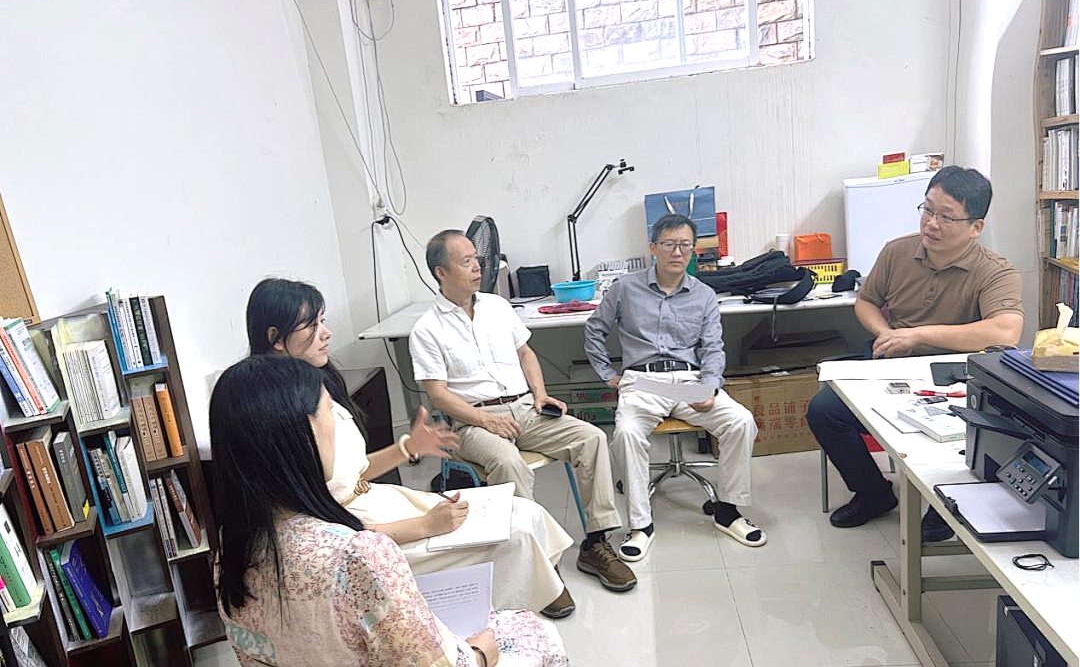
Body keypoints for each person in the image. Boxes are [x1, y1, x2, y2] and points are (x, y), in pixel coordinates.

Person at [211, 355, 595, 667]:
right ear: (303, 437)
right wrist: (478, 654)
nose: (336, 426)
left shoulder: (230, 558)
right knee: (533, 631)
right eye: (328, 415)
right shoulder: (358, 556)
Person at [246, 278, 576, 619]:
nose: (326, 333)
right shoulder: (285, 416)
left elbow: (350, 472)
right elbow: (328, 531)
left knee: (524, 512)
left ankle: (541, 582)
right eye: (312, 325)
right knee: (515, 535)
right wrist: (426, 526)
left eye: (323, 321)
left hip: (374, 500)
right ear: (275, 338)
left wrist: (409, 447)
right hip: (361, 527)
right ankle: (523, 600)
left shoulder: (316, 388)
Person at [409, 230, 636, 594]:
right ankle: (538, 562)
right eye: (466, 261)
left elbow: (525, 353)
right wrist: (485, 420)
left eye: (476, 259)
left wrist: (541, 395)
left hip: (525, 409)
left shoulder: (498, 307)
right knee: (508, 462)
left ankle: (596, 543)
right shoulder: (426, 329)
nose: (477, 267)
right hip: (471, 421)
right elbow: (438, 395)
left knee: (591, 438)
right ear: (441, 272)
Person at [807, 166, 1023, 541]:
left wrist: (919, 335)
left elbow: (1006, 330)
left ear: (976, 227)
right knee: (825, 411)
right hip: (892, 365)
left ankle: (948, 502)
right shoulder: (898, 250)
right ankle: (873, 493)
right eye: (927, 210)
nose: (931, 224)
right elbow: (866, 302)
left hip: (955, 375)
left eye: (946, 216)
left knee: (974, 427)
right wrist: (887, 333)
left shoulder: (995, 272)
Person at [584, 213, 762, 561]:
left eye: (684, 245)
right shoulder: (625, 288)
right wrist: (607, 373)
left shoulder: (704, 295)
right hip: (643, 381)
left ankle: (727, 511)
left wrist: (710, 386)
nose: (677, 252)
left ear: (693, 250)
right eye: (668, 244)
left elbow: (713, 348)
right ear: (653, 248)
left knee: (740, 421)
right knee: (627, 433)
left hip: (688, 383)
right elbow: (594, 329)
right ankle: (641, 526)